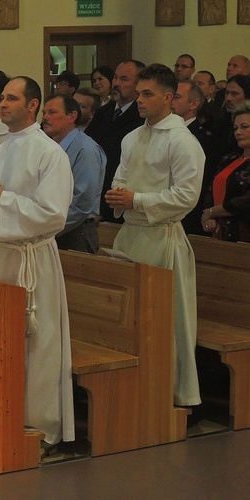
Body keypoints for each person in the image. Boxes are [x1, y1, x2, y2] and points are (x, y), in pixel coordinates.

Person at [0, 76, 75, 453]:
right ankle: (6, 414)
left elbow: (53, 215)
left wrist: (2, 198)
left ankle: (41, 425)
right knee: (2, 343)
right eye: (3, 99)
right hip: (0, 257)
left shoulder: (51, 154)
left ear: (32, 105)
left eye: (12, 99)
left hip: (32, 259)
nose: (3, 105)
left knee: (38, 344)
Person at [104, 63, 204, 409]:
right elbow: (121, 178)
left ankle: (175, 396)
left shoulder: (182, 141)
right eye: (139, 93)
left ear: (168, 97)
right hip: (131, 235)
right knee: (131, 322)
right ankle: (136, 390)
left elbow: (186, 197)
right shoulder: (132, 137)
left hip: (163, 238)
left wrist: (137, 200)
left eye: (148, 94)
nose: (140, 99)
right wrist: (119, 195)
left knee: (168, 322)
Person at [42, 94, 106, 253]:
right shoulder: (49, 147)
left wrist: (47, 228)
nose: (45, 118)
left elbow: (82, 203)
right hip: (52, 227)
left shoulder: (85, 149)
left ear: (72, 116)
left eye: (52, 112)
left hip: (76, 232)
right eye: (44, 113)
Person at [86, 60, 146, 222]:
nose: (116, 83)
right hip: (95, 193)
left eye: (124, 79)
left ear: (138, 84)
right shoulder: (103, 112)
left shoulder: (141, 118)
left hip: (120, 199)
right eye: (115, 77)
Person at [172, 81, 220, 235]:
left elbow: (202, 179)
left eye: (177, 97)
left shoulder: (202, 137)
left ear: (193, 104)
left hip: (188, 214)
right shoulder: (166, 131)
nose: (171, 101)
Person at [201, 102, 250, 242]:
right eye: (235, 128)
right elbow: (211, 189)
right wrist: (210, 217)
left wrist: (212, 212)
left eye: (244, 127)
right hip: (221, 235)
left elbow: (246, 201)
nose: (238, 132)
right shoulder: (229, 158)